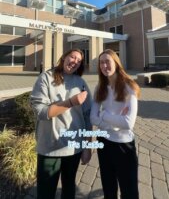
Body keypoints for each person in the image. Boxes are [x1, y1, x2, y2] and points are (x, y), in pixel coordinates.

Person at [30, 48, 92, 199]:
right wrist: (71, 102)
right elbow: (41, 112)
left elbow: (87, 117)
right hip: (50, 147)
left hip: (73, 148)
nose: (75, 62)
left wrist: (87, 147)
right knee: (46, 191)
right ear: (64, 57)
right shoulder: (46, 78)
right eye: (72, 57)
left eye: (79, 61)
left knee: (69, 187)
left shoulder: (81, 83)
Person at [90, 49, 140, 199]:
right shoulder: (100, 88)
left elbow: (128, 123)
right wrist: (114, 123)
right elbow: (93, 118)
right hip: (104, 142)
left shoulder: (129, 86)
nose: (104, 65)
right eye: (101, 63)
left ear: (116, 64)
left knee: (129, 190)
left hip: (123, 145)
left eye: (107, 61)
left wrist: (104, 115)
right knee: (108, 187)